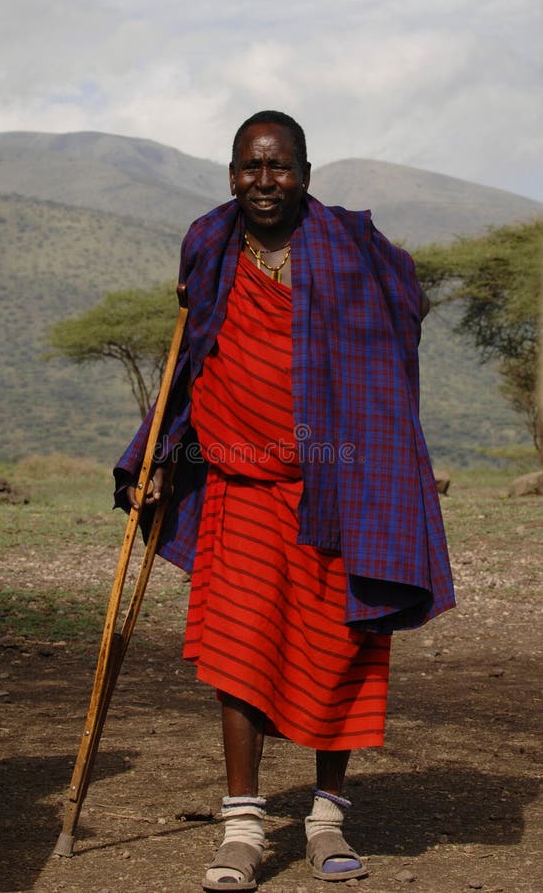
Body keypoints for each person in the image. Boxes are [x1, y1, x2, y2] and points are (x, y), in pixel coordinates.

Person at [114, 110, 455, 890]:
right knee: (241, 652)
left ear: (306, 172)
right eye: (248, 167)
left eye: (279, 167)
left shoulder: (353, 248)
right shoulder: (209, 243)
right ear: (230, 171)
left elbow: (409, 301)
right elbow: (194, 354)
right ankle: (241, 826)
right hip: (239, 482)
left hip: (336, 485)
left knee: (340, 648)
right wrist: (164, 453)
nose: (263, 182)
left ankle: (326, 817)